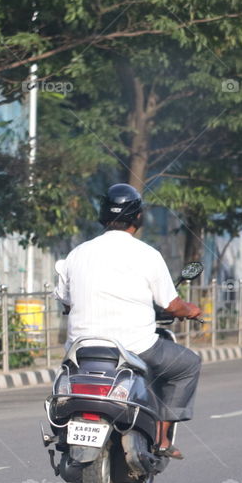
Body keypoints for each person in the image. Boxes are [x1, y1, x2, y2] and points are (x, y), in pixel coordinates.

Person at [55, 183, 203, 460]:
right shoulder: (148, 255)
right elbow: (171, 304)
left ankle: (60, 431)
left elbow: (64, 299)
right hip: (137, 346)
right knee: (188, 365)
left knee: (62, 383)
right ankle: (161, 439)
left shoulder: (77, 254)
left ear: (102, 214)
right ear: (137, 217)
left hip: (83, 348)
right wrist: (191, 310)